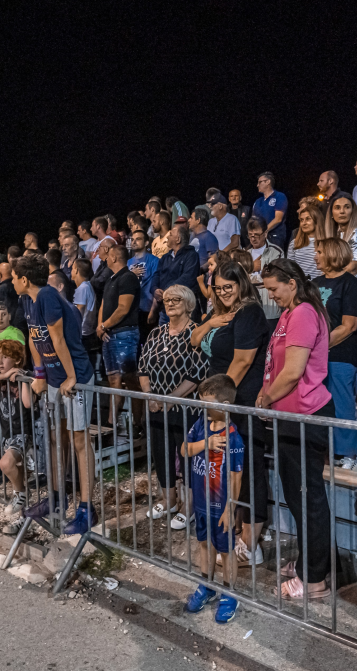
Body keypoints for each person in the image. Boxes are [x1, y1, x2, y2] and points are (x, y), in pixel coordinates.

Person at [258, 258, 335, 599]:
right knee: (298, 496)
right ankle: (309, 562)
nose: (271, 295)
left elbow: (292, 371)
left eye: (274, 288)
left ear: (291, 281)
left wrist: (265, 398)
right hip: (291, 417)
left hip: (306, 415)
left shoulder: (303, 312)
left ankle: (315, 579)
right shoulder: (292, 312)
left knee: (308, 498)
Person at [191, 261, 269, 566]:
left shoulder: (249, 312)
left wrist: (219, 405)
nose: (224, 292)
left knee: (248, 470)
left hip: (240, 401)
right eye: (218, 287)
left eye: (229, 286)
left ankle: (252, 543)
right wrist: (211, 323)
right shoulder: (218, 312)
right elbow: (194, 340)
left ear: (241, 284)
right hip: (220, 401)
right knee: (226, 470)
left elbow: (242, 362)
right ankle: (234, 530)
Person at [13, 254, 97, 535]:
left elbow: (58, 338)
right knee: (55, 436)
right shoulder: (27, 299)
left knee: (79, 440)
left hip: (76, 377)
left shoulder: (47, 295)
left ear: (24, 280)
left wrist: (71, 376)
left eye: (14, 277)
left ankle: (86, 508)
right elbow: (34, 337)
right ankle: (58, 497)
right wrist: (39, 373)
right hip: (52, 379)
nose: (12, 281)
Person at [138, 284, 209, 531]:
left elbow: (197, 373)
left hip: (184, 408)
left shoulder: (196, 332)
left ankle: (188, 505)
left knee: (185, 454)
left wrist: (170, 398)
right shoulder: (156, 333)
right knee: (161, 452)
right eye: (167, 299)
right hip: (157, 406)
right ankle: (168, 499)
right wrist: (150, 396)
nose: (169, 303)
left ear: (189, 303)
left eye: (176, 299)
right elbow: (143, 367)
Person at [181, 373, 244, 625]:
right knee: (204, 544)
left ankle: (229, 594)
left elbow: (236, 477)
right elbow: (185, 450)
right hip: (201, 502)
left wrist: (231, 508)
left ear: (224, 406)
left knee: (226, 550)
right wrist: (205, 444)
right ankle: (206, 586)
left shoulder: (233, 437)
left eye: (207, 403)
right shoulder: (200, 426)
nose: (202, 407)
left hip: (221, 505)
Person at [0, 339, 40, 535]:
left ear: (17, 359)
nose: (0, 362)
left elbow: (28, 404)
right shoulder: (0, 374)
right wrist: (2, 375)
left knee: (6, 464)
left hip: (23, 432)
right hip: (7, 432)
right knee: (16, 471)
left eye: (5, 357)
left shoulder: (25, 375)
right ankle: (23, 518)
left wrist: (21, 381)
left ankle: (20, 495)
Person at [314, 238, 357, 465]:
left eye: (320, 252)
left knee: (342, 403)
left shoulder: (350, 284)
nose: (316, 256)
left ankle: (347, 454)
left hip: (340, 354)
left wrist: (319, 346)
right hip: (315, 356)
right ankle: (321, 450)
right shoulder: (313, 284)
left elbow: (349, 325)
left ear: (333, 253)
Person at [98, 244, 142, 423]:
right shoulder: (111, 279)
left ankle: (138, 423)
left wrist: (104, 325)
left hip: (125, 334)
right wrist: (101, 327)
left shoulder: (128, 278)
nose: (105, 258)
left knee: (129, 380)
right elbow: (103, 305)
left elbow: (123, 308)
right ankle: (111, 424)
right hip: (109, 334)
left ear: (114, 258)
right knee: (113, 380)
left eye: (108, 255)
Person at [155, 225, 200, 321]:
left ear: (178, 239)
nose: (167, 237)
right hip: (165, 310)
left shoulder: (191, 256)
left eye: (170, 234)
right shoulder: (165, 258)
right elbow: (156, 275)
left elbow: (188, 278)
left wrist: (166, 290)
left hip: (182, 310)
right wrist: (154, 289)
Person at [325, 193, 357, 279]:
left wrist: (330, 277)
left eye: (347, 207)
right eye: (337, 207)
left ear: (353, 212)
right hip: (341, 282)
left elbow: (354, 268)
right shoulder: (335, 233)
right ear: (331, 213)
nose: (342, 211)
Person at [287, 203, 325, 281]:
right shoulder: (294, 243)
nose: (304, 223)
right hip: (301, 287)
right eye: (301, 220)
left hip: (321, 286)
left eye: (308, 219)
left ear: (316, 220)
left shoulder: (327, 243)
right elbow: (290, 269)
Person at [252, 172, 288, 247]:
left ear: (268, 182)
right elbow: (254, 220)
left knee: (274, 258)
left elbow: (278, 219)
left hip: (275, 236)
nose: (257, 185)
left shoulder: (279, 196)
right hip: (260, 238)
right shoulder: (258, 201)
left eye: (260, 182)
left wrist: (263, 231)